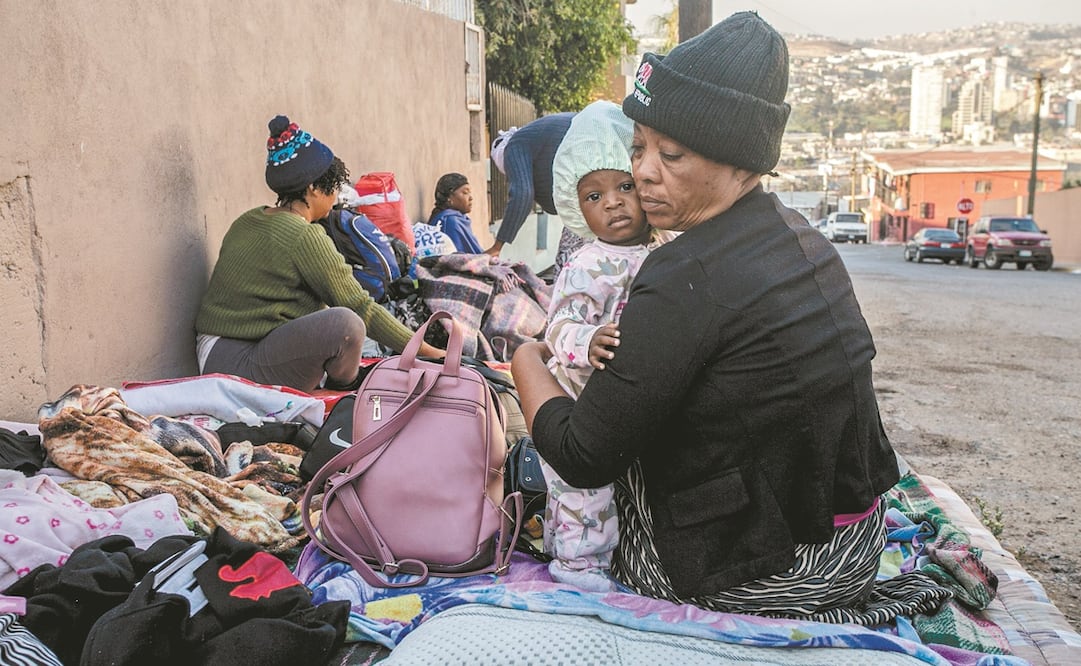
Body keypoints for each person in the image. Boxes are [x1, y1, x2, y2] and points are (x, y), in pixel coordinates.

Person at [512, 13, 931, 625]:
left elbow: (584, 454)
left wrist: (527, 356)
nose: (644, 172)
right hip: (853, 544)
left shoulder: (687, 276)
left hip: (773, 578)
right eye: (639, 147)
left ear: (742, 164)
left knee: (566, 437)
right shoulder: (803, 238)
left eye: (672, 153)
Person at [195, 115, 443, 393]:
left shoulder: (248, 219)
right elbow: (360, 308)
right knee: (347, 325)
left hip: (212, 350)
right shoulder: (304, 236)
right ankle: (344, 388)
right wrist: (429, 352)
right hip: (237, 365)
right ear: (313, 188)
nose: (336, 198)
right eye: (334, 188)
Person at [540, 100, 675, 592]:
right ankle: (578, 571)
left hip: (631, 395)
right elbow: (557, 328)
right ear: (579, 211)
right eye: (594, 196)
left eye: (623, 186)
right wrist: (587, 340)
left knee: (614, 489)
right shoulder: (586, 264)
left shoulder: (663, 251)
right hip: (582, 396)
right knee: (584, 489)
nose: (614, 202)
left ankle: (571, 543)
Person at [488, 112, 585, 267]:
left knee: (568, 267)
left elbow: (522, 194)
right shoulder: (540, 141)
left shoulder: (513, 146)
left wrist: (497, 247)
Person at [427, 173, 483, 254]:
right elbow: (458, 260)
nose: (470, 197)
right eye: (465, 192)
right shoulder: (450, 222)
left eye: (469, 193)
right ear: (449, 197)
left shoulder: (460, 220)